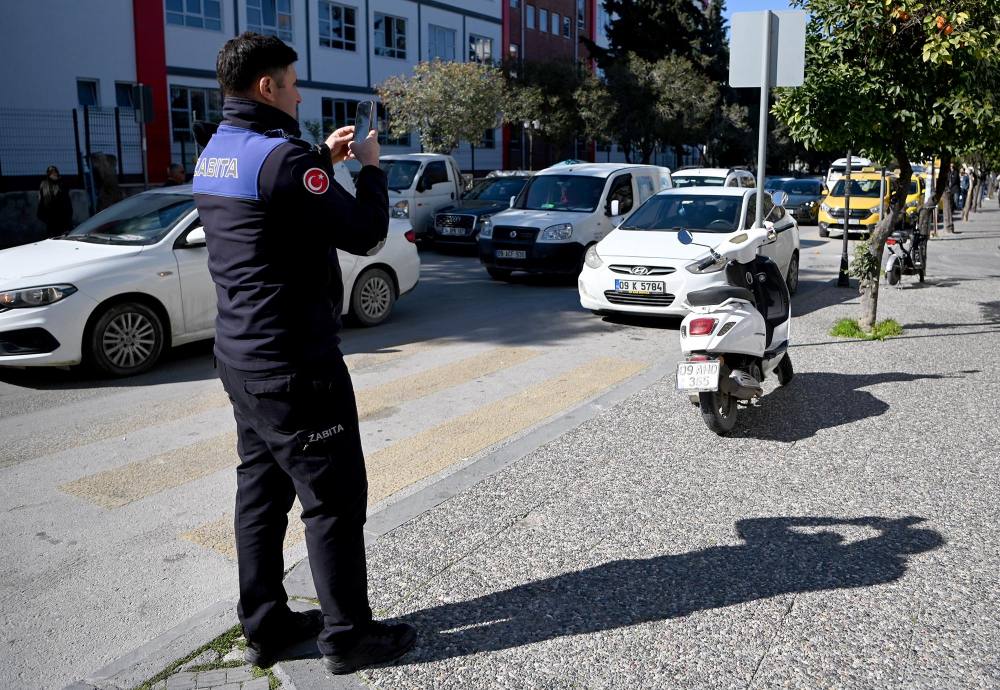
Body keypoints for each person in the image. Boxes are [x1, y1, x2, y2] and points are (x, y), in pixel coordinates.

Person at [191, 32, 415, 675]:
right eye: (291, 82)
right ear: (267, 87)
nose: (297, 92)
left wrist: (323, 157)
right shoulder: (285, 161)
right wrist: (369, 167)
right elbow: (367, 233)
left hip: (241, 357)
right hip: (296, 363)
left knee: (261, 494)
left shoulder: (217, 151)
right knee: (334, 499)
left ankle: (265, 624)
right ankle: (349, 638)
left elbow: (274, 202)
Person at [37, 165, 73, 238]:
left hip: (63, 217)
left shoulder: (62, 183)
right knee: (53, 237)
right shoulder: (44, 184)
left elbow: (66, 199)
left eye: (55, 172)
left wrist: (68, 214)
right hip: (51, 217)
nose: (54, 174)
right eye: (51, 172)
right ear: (48, 174)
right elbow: (41, 199)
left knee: (64, 236)